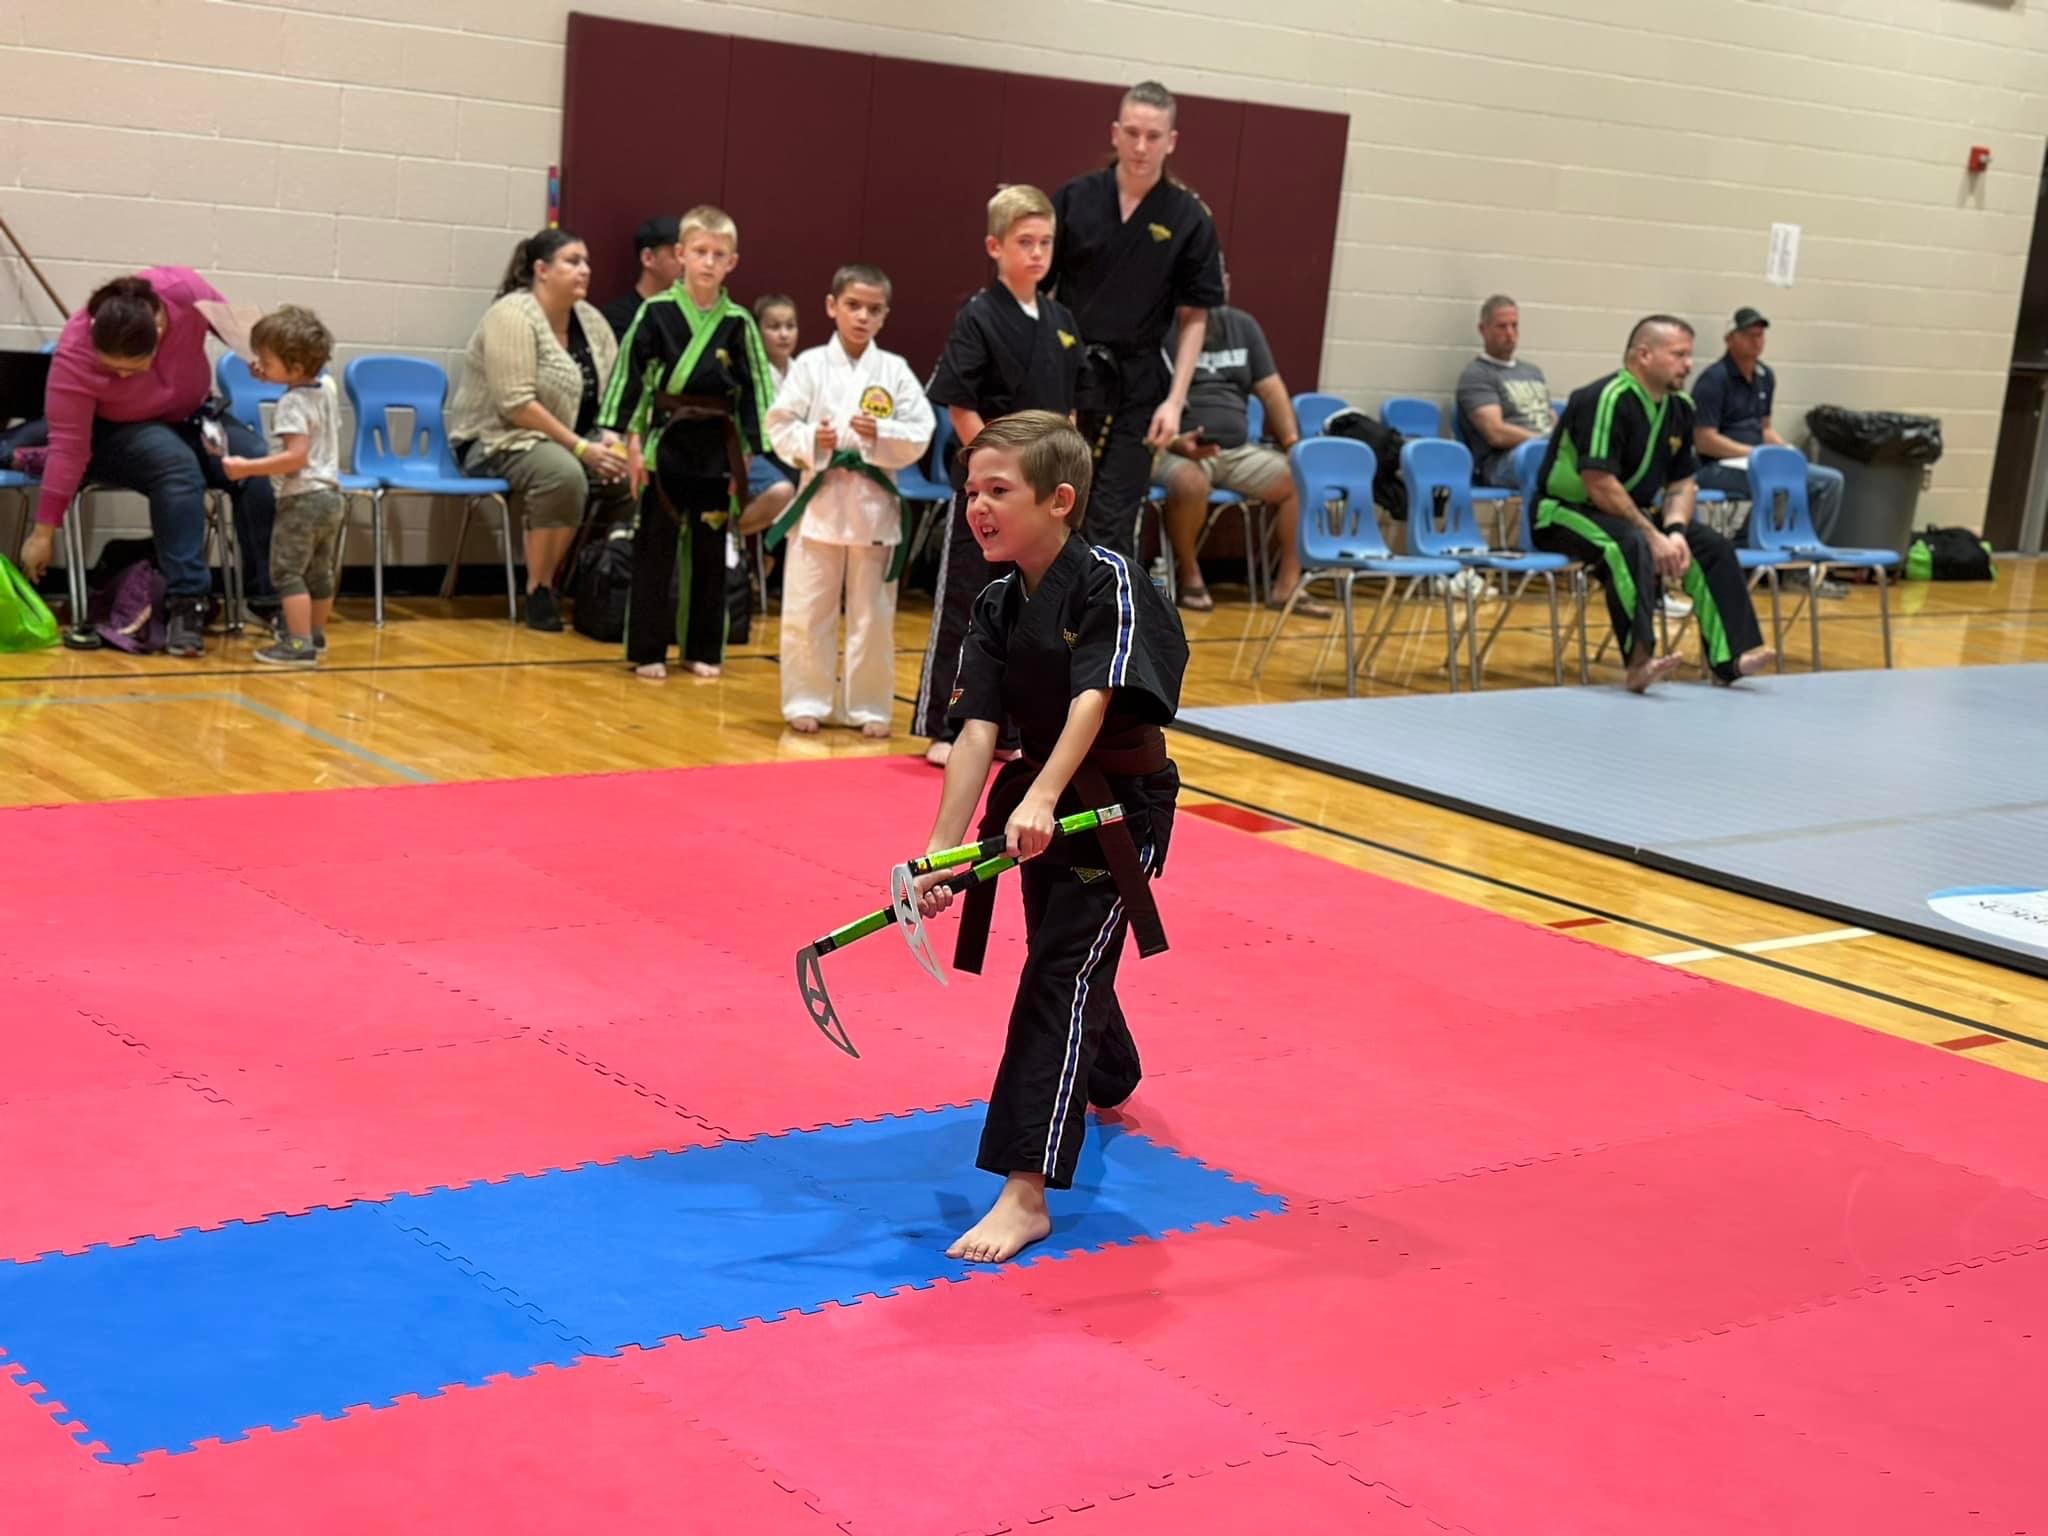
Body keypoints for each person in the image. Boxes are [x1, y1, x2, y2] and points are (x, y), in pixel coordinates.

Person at [912, 411, 1186, 1264]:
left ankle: (1025, 1190)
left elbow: (1093, 696)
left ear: (1059, 500)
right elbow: (976, 729)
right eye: (971, 492)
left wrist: (1043, 794)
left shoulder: (1110, 579)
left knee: (1055, 978)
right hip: (1040, 809)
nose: (978, 508)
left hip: (1116, 812)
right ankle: (1110, 1073)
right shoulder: (997, 601)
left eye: (999, 491)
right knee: (1064, 960)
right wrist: (943, 850)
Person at [21, 268, 276, 658]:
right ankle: (186, 604)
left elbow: (239, 329)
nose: (122, 374)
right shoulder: (75, 352)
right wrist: (43, 533)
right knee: (176, 466)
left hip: (191, 414)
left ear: (158, 332)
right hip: (118, 431)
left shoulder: (183, 290)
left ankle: (268, 596)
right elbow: (68, 447)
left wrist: (263, 356)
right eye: (112, 368)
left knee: (255, 459)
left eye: (132, 366)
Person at [913, 184, 1082, 767]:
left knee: (1033, 613)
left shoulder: (1061, 320)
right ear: (995, 247)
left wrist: (1056, 484)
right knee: (970, 603)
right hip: (991, 490)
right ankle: (948, 724)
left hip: (1042, 496)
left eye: (1045, 242)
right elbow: (960, 405)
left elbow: (1069, 414)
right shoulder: (979, 316)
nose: (1037, 253)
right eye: (1024, 242)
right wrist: (995, 479)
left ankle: (1012, 729)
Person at [1530, 315, 1774, 692]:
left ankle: (1729, 659)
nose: (1688, 365)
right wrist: (1651, 534)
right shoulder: (1605, 398)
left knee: (1710, 546)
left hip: (1630, 513)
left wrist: (1674, 532)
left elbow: (1682, 483)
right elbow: (1598, 482)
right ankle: (1639, 662)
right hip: (1565, 512)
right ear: (1644, 355)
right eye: (1678, 355)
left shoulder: (1681, 407)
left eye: (1689, 355)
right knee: (1628, 544)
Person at [1047, 80, 1226, 564]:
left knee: (1112, 517)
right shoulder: (1074, 199)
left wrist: (1175, 401)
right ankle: (1043, 610)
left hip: (1139, 388)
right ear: (1114, 134)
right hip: (1071, 377)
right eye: (1132, 133)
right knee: (1056, 508)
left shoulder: (1189, 217)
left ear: (1172, 141)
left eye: (1153, 136)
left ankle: (1104, 612)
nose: (1141, 146)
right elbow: (1041, 294)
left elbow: (1194, 316)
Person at [597, 205, 774, 681]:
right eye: (700, 251)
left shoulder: (739, 322)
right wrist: (631, 442)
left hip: (717, 448)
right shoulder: (655, 313)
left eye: (719, 254)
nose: (708, 262)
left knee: (710, 551)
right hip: (664, 443)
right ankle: (647, 649)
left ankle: (702, 648)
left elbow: (757, 390)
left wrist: (749, 452)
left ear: (732, 262)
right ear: (681, 255)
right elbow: (631, 378)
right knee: (654, 549)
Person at [765, 263, 934, 736]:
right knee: (808, 609)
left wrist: (880, 433)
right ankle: (806, 699)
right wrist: (814, 439)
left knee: (873, 616)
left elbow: (921, 430)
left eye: (873, 309)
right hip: (819, 503)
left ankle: (869, 706)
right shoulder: (810, 365)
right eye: (853, 306)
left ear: (885, 315)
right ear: (831, 306)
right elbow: (778, 424)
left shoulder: (894, 370)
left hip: (872, 506)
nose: (862, 317)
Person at [450, 228, 633, 631]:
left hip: (573, 441)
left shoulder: (592, 321)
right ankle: (540, 588)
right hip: (495, 439)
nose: (585, 270)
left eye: (586, 262)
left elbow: (615, 390)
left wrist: (611, 437)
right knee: (562, 474)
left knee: (630, 477)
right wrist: (581, 449)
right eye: (572, 261)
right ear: (542, 270)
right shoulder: (512, 315)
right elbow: (516, 405)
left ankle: (599, 580)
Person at [1153, 287, 1327, 618]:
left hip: (1237, 451)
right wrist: (1174, 442)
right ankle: (1189, 574)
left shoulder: (1242, 326)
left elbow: (1272, 390)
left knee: (1299, 479)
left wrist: (1292, 444)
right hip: (1176, 449)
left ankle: (1287, 586)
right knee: (1190, 483)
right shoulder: (1160, 328)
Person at [1692, 306, 1847, 596]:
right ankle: (1750, 559)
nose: (1757, 341)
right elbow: (1704, 439)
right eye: (1749, 335)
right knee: (1771, 481)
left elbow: (1764, 428)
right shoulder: (1714, 380)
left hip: (1756, 461)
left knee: (1829, 481)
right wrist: (1754, 454)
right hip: (1717, 466)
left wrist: (1786, 451)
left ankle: (1801, 567)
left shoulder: (1765, 376)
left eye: (1760, 335)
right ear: (1730, 339)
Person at [221, 307, 343, 666]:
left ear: (294, 366)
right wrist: (275, 372)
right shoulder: (326, 389)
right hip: (331, 497)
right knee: (319, 573)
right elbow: (299, 376)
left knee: (287, 573)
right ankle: (315, 636)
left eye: (267, 361)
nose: (260, 365)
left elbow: (295, 458)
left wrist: (247, 468)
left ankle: (298, 645)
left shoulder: (291, 404)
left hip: (302, 498)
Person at [1455, 294, 1555, 489]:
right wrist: (1545, 443)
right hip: (1502, 463)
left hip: (1545, 450)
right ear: (1483, 330)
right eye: (1502, 327)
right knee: (1540, 457)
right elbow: (1496, 433)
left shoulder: (1533, 372)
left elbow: (1550, 418)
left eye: (1514, 326)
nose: (1510, 333)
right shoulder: (1477, 375)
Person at [736, 292, 800, 544]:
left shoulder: (803, 370)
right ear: (757, 331)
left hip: (792, 455)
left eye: (790, 326)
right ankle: (725, 535)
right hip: (754, 453)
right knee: (781, 492)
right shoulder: (747, 372)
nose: (784, 334)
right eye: (774, 327)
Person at [598, 216, 682, 342]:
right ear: (648, 258)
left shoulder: (689, 312)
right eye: (676, 254)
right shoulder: (618, 317)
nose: (684, 261)